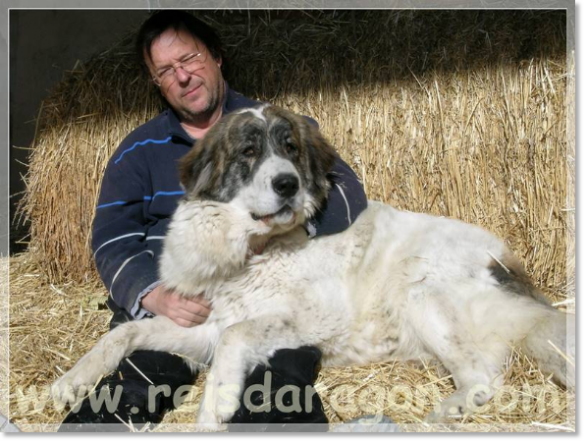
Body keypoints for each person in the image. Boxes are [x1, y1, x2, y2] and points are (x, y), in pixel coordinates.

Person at [59, 10, 368, 432]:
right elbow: (113, 238)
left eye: (189, 59)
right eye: (166, 70)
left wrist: (283, 227)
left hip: (274, 293)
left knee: (277, 380)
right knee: (139, 382)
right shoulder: (138, 150)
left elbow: (348, 195)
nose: (182, 76)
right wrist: (152, 293)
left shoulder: (280, 126)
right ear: (155, 81)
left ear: (216, 56)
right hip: (185, 304)